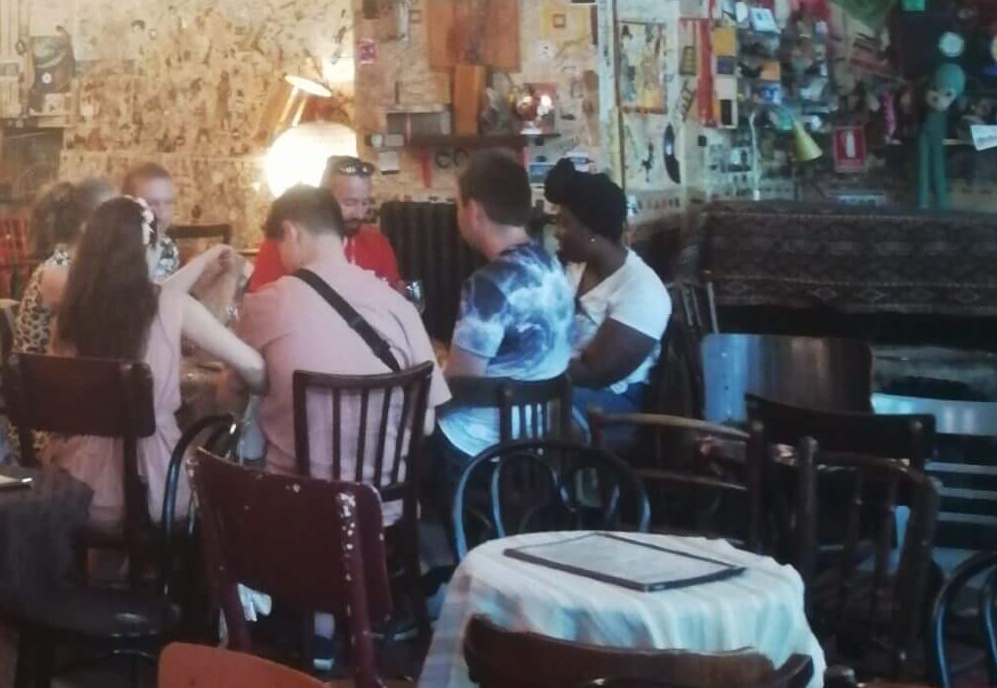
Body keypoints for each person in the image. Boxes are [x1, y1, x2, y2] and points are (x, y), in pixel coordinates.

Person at [46, 195, 264, 528]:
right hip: (156, 485)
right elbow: (253, 366)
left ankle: (116, 569)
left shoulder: (71, 313)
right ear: (145, 253)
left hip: (74, 482)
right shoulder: (172, 306)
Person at [237, 185, 446, 513]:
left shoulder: (268, 302)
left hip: (298, 512)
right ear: (342, 238)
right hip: (383, 515)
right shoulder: (398, 305)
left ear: (291, 233)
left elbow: (230, 397)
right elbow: (426, 424)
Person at [436, 150, 574, 480]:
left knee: (394, 433)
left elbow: (460, 384)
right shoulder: (552, 266)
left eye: (457, 205)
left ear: (473, 211)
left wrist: (434, 366)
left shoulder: (487, 286)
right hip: (543, 437)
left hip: (482, 446)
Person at [544, 161, 671, 425]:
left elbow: (594, 373)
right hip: (560, 381)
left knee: (525, 410)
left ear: (592, 232)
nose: (557, 233)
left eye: (565, 224)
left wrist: (524, 373)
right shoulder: (573, 267)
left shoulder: (643, 291)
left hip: (612, 405)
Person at [245, 155, 401, 293]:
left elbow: (395, 296)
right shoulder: (284, 244)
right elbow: (261, 306)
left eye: (365, 203)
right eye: (349, 203)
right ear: (325, 200)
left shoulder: (378, 245)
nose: (360, 214)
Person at [12, 175, 113, 356]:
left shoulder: (81, 266)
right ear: (88, 227)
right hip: (40, 377)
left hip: (67, 371)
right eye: (114, 220)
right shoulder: (60, 272)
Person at [122, 161, 181, 283]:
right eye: (151, 204)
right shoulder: (116, 249)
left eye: (168, 203)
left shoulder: (167, 247)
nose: (162, 213)